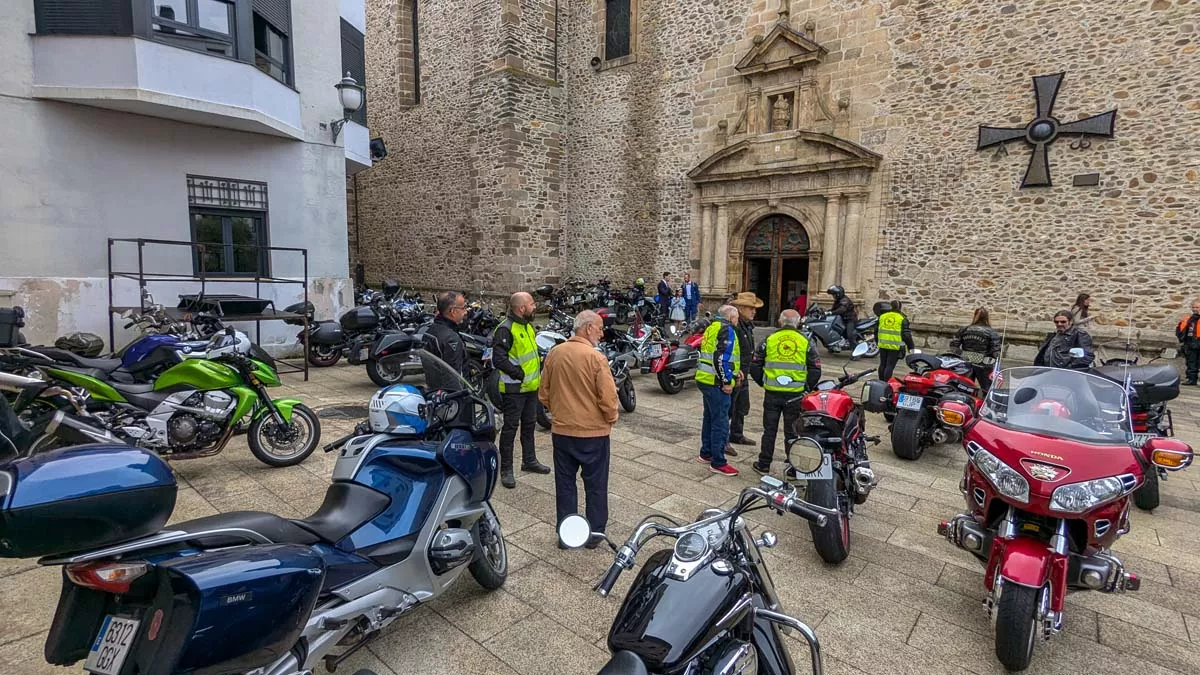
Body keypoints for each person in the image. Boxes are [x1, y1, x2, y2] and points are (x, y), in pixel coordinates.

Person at [540, 310, 619, 548]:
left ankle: (567, 535)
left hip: (563, 431)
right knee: (595, 484)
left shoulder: (555, 353)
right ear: (587, 328)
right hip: (593, 433)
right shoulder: (596, 359)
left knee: (565, 484)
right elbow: (608, 399)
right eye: (599, 328)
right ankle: (594, 534)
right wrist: (611, 417)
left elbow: (543, 393)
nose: (602, 333)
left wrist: (560, 411)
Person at [750, 310, 821, 476]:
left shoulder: (769, 339)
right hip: (795, 394)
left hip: (772, 392)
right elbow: (815, 368)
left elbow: (755, 364)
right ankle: (793, 467)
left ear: (780, 322)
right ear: (797, 323)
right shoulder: (806, 341)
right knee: (793, 431)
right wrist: (806, 387)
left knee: (769, 430)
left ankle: (764, 463)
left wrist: (764, 382)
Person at [491, 291, 551, 488]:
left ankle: (529, 461)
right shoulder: (505, 329)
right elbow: (498, 359)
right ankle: (506, 469)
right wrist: (520, 374)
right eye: (532, 304)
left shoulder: (527, 326)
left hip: (530, 388)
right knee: (510, 429)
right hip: (514, 389)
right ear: (521, 308)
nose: (535, 307)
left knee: (529, 424)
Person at [696, 305, 742, 476]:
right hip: (716, 382)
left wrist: (736, 371)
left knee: (709, 417)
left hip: (704, 378)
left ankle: (706, 452)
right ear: (730, 317)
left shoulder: (712, 327)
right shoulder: (727, 330)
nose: (737, 320)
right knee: (720, 422)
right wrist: (726, 381)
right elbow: (721, 358)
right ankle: (718, 462)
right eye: (736, 316)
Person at [727, 292, 762, 450]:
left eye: (754, 308)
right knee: (728, 409)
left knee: (741, 406)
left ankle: (736, 434)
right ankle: (723, 440)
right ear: (740, 308)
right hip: (735, 373)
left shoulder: (747, 325)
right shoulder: (734, 326)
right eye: (750, 308)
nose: (754, 311)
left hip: (744, 373)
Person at [423, 291, 468, 391]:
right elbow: (453, 375)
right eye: (463, 308)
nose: (466, 312)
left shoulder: (431, 330)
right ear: (453, 311)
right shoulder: (451, 338)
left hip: (434, 391)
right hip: (450, 397)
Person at [950, 307, 1003, 390]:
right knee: (986, 388)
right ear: (987, 317)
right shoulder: (992, 332)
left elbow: (953, 347)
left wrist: (964, 355)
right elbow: (995, 352)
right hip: (983, 363)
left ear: (974, 316)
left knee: (964, 387)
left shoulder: (963, 330)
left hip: (965, 361)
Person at [876, 300, 915, 380]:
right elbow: (906, 334)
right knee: (889, 366)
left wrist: (877, 341)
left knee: (882, 364)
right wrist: (911, 346)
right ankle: (886, 382)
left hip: (883, 344)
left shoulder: (882, 316)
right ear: (900, 307)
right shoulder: (902, 318)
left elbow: (876, 331)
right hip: (895, 345)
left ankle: (881, 381)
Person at [1177, 298, 1200, 386]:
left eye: (1197, 307)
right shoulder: (1189, 319)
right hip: (1191, 343)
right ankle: (1191, 379)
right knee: (1191, 363)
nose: (1194, 309)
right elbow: (1180, 330)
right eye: (1193, 307)